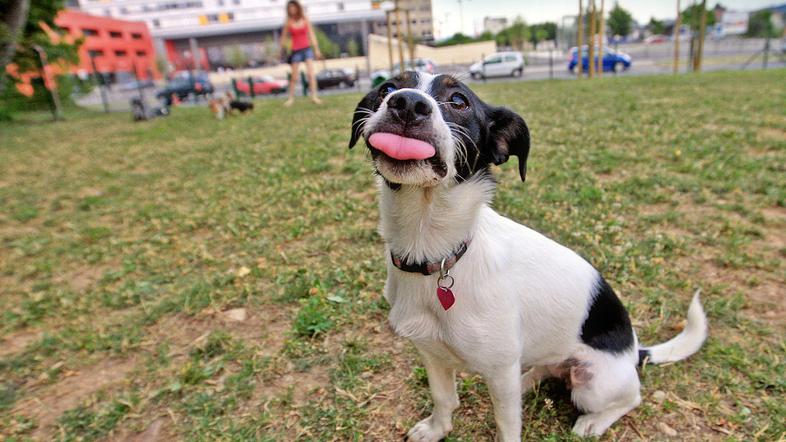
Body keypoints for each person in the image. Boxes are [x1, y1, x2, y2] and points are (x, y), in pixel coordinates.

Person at [280, 0, 322, 106]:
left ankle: (314, 97)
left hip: (307, 49)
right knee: (294, 77)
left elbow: (311, 34)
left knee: (311, 74)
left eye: (293, 7)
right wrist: (282, 50)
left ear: (298, 8)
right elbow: (283, 37)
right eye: (290, 8)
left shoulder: (305, 19)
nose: (292, 10)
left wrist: (316, 49)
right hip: (295, 51)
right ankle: (290, 98)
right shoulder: (288, 21)